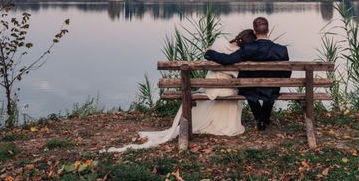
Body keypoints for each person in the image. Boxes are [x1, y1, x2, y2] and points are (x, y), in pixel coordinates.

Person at [105, 29, 257, 152]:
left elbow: (208, 54)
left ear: (239, 35)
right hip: (227, 90)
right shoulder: (242, 54)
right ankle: (225, 124)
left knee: (211, 93)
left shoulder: (219, 42)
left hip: (211, 87)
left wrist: (210, 54)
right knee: (233, 92)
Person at [204, 16, 290, 131]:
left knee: (249, 91)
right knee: (270, 92)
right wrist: (281, 81)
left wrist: (209, 53)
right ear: (268, 31)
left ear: (254, 32)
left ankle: (260, 119)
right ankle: (263, 119)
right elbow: (287, 71)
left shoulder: (248, 48)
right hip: (272, 87)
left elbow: (226, 60)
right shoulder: (281, 50)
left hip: (250, 87)